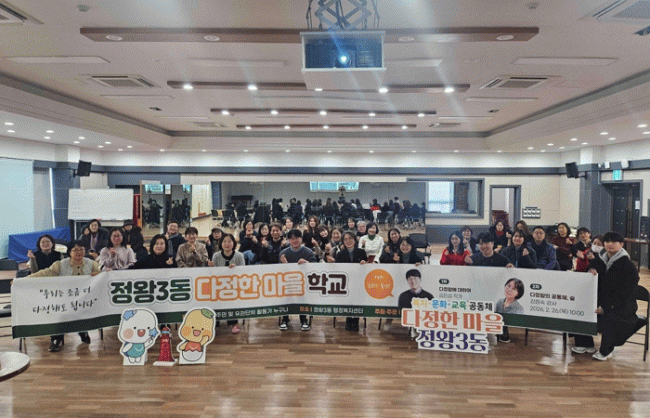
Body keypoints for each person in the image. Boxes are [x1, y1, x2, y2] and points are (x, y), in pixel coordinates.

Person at [573, 232, 640, 361]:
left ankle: (606, 350)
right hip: (600, 300)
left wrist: (606, 307)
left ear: (621, 244)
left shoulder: (628, 265)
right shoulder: (599, 259)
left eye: (614, 242)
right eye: (607, 241)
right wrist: (590, 270)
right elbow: (589, 271)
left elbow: (626, 293)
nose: (610, 244)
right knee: (579, 309)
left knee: (609, 316)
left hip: (622, 305)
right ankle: (585, 343)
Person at [28, 240, 100, 352]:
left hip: (85, 300)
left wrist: (98, 274)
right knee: (60, 314)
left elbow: (102, 275)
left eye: (81, 249)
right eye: (75, 250)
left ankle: (83, 331)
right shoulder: (60, 264)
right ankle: (56, 338)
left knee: (84, 311)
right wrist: (23, 280)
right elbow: (44, 273)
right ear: (69, 252)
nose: (79, 252)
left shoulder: (92, 263)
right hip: (64, 300)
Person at [279, 229, 316, 331]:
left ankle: (303, 319)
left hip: (305, 283)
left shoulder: (308, 252)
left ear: (301, 239)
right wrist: (284, 264)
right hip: (288, 283)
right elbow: (279, 272)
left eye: (297, 238)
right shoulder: (283, 253)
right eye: (292, 238)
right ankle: (285, 318)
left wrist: (307, 263)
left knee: (302, 294)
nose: (294, 241)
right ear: (288, 240)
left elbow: (315, 268)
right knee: (284, 293)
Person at [211, 233, 245, 334]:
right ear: (221, 244)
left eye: (229, 241)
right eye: (224, 241)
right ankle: (215, 322)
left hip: (234, 286)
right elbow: (212, 273)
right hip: (218, 285)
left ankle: (234, 323)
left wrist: (236, 269)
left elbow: (243, 271)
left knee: (232, 298)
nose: (227, 244)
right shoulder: (216, 256)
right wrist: (211, 266)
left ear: (233, 243)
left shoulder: (239, 255)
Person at [335, 231, 368, 331]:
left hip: (359, 282)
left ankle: (356, 321)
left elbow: (367, 267)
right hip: (346, 283)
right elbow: (337, 269)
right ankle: (348, 320)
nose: (348, 241)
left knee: (357, 301)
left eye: (350, 238)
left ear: (354, 240)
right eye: (345, 239)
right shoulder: (340, 254)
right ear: (343, 242)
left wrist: (364, 263)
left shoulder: (361, 252)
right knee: (348, 301)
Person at [397, 269, 434, 338]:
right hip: (409, 322)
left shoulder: (429, 296)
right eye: (410, 279)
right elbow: (401, 312)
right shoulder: (403, 296)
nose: (413, 281)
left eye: (415, 278)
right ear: (407, 281)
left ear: (420, 280)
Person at [495, 278, 525, 343]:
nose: (509, 289)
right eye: (508, 286)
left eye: (514, 289)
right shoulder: (499, 302)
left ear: (518, 293)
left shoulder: (519, 308)